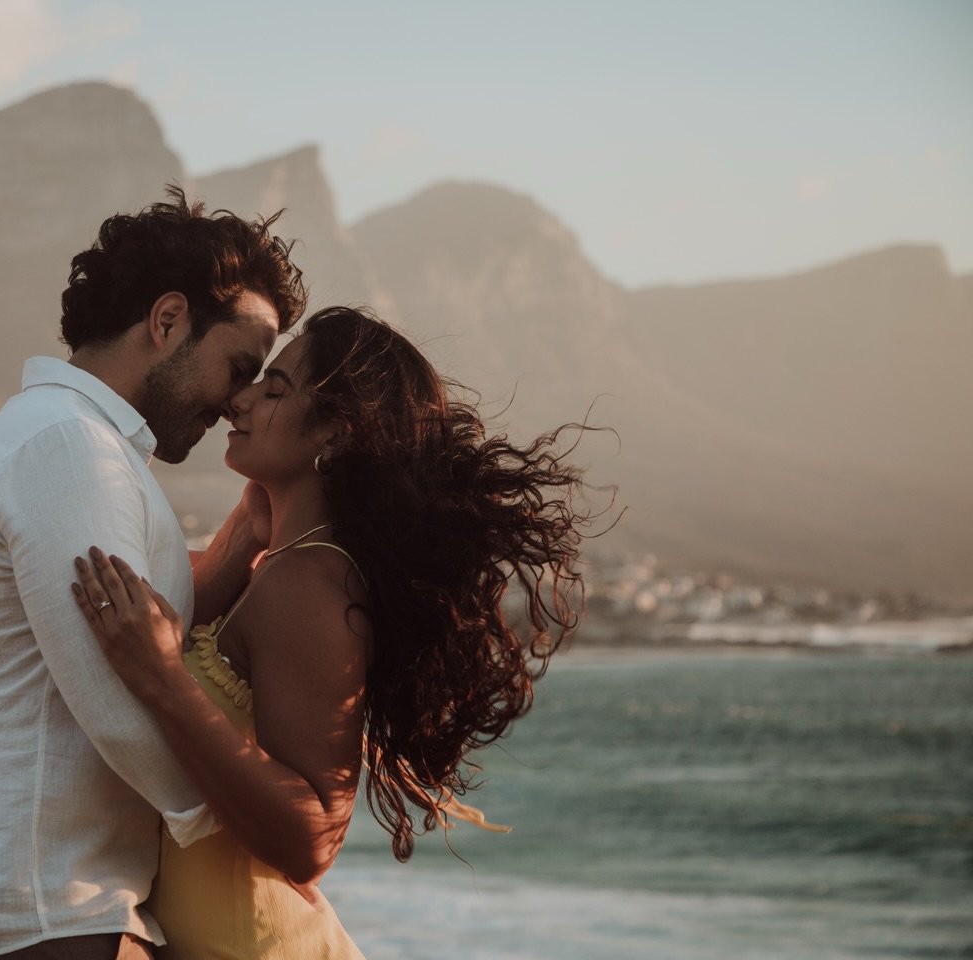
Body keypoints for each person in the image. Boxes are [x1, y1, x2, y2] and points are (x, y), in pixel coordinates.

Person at [0, 188, 307, 960]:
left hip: (15, 912)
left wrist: (255, 526)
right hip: (27, 916)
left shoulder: (69, 445)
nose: (237, 404)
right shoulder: (67, 450)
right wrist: (251, 832)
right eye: (239, 367)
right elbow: (120, 702)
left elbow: (149, 625)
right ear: (167, 322)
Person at [73, 306, 591, 959]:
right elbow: (187, 627)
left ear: (338, 435)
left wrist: (165, 682)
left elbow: (312, 838)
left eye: (276, 388)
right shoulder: (286, 569)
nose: (241, 397)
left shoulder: (309, 586)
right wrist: (249, 530)